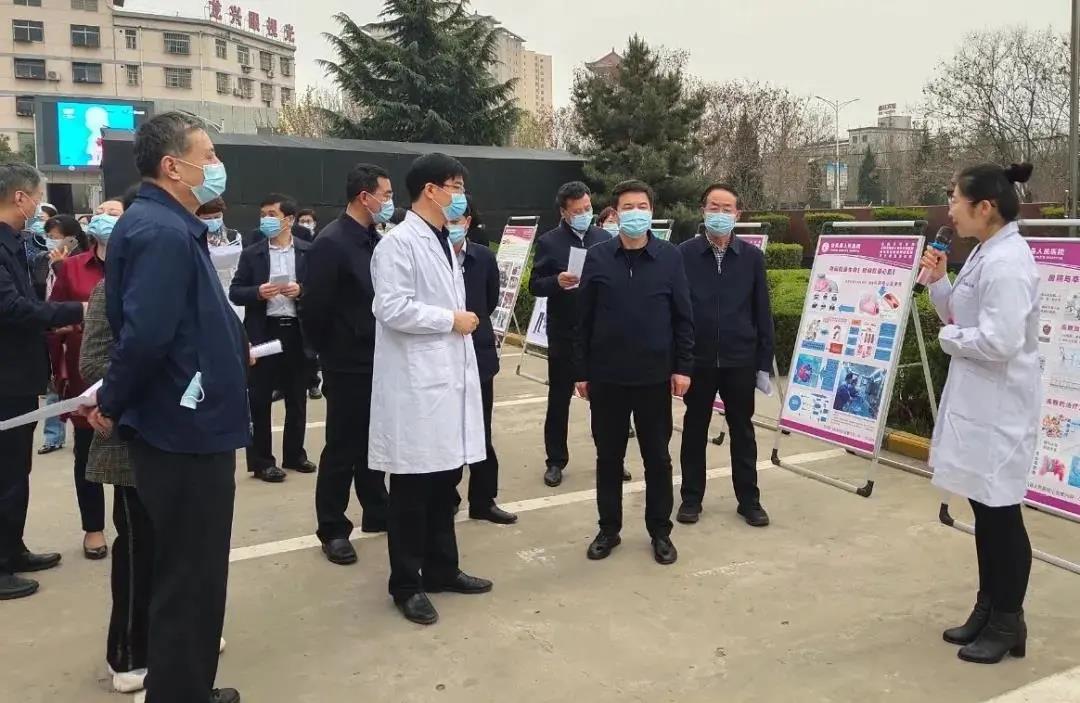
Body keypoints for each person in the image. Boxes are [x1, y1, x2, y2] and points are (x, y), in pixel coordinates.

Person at [86, 112, 247, 703]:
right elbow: (146, 336)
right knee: (191, 576)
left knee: (188, 571)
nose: (216, 166)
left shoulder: (169, 225)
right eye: (208, 155)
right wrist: (112, 399)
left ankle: (184, 687)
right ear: (173, 166)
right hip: (184, 430)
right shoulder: (161, 232)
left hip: (189, 422)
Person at [922, 162, 1039, 665]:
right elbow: (959, 313)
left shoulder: (1008, 262)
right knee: (984, 513)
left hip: (1001, 410)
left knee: (1001, 516)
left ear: (984, 207)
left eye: (955, 199)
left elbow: (999, 341)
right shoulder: (984, 252)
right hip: (977, 405)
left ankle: (1009, 621)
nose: (949, 209)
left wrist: (948, 339)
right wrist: (938, 282)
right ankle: (988, 607)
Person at [370, 152, 492, 625]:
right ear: (430, 190)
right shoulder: (398, 244)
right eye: (455, 186)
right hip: (417, 389)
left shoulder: (442, 240)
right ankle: (406, 584)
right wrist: (450, 320)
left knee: (445, 485)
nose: (461, 196)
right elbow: (391, 308)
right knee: (412, 491)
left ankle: (443, 569)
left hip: (445, 383)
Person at [575, 180, 693, 566]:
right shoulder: (597, 257)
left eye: (642, 206)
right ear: (616, 213)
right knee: (608, 457)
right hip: (606, 377)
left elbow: (683, 317)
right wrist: (581, 371)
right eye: (628, 207)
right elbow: (584, 319)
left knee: (657, 458)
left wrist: (683, 367)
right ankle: (608, 529)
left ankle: (660, 531)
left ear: (652, 211)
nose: (635, 213)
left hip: (653, 377)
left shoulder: (670, 257)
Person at [0, 163, 84, 600]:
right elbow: (11, 308)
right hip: (5, 378)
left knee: (17, 469)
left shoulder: (13, 243)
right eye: (36, 197)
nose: (37, 206)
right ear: (20, 198)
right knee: (5, 473)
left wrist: (52, 324)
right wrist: (78, 310)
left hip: (18, 376)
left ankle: (12, 549)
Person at [303, 164, 393, 566]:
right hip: (347, 362)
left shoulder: (376, 240)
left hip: (379, 359)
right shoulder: (332, 242)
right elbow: (314, 308)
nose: (389, 202)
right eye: (385, 195)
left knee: (375, 441)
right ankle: (333, 528)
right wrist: (328, 354)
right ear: (364, 196)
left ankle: (376, 508)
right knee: (342, 446)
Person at [676, 183, 774, 529]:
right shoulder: (684, 255)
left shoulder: (751, 258)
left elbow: (762, 312)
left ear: (737, 214)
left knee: (742, 431)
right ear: (703, 211)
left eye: (726, 209)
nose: (720, 214)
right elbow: (675, 311)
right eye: (713, 207)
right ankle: (691, 498)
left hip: (739, 360)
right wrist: (678, 361)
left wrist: (763, 363)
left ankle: (749, 500)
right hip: (698, 361)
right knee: (694, 429)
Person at [49, 207, 123, 559]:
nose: (105, 217)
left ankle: (129, 524)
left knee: (129, 451)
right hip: (86, 371)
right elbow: (53, 319)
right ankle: (93, 528)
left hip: (131, 370)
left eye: (114, 212)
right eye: (100, 212)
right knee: (87, 452)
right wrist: (58, 371)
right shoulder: (72, 267)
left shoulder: (139, 265)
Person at [229, 193, 315, 483]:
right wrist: (258, 292)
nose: (266, 219)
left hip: (297, 331)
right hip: (264, 331)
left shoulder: (307, 251)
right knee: (260, 397)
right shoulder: (252, 253)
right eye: (263, 214)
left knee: (297, 396)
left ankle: (295, 454)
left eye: (272, 215)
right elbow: (235, 291)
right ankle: (262, 461)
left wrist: (301, 290)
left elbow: (321, 287)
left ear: (289, 220)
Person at [529, 181, 609, 487]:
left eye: (587, 208)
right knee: (559, 399)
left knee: (603, 402)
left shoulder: (603, 238)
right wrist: (556, 281)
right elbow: (535, 285)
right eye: (577, 211)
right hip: (564, 332)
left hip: (597, 333)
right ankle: (555, 461)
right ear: (564, 212)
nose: (584, 214)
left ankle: (609, 458)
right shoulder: (549, 242)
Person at [447, 198, 517, 525]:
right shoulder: (433, 256)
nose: (452, 224)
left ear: (468, 221)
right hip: (443, 356)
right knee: (447, 430)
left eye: (458, 218)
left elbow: (489, 301)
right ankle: (447, 497)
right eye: (447, 218)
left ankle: (483, 500)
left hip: (479, 355)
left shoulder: (484, 257)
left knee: (481, 428)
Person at [36, 214, 89, 455]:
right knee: (55, 386)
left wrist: (61, 267)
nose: (51, 241)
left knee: (69, 388)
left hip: (76, 339)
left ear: (71, 238)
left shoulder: (80, 263)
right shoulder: (43, 260)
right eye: (48, 236)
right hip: (51, 333)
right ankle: (53, 436)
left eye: (55, 237)